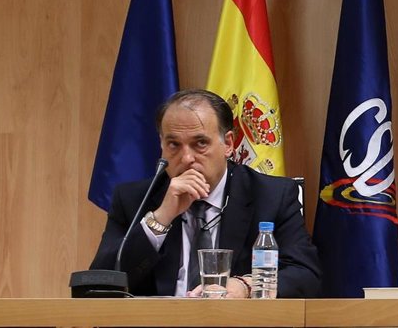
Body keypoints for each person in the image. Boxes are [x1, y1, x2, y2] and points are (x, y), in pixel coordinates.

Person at [89, 89, 321, 297]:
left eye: (200, 143)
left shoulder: (271, 196)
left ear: (228, 144)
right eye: (174, 144)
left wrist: (246, 286)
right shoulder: (135, 199)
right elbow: (98, 285)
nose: (187, 158)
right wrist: (160, 219)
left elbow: (307, 276)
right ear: (161, 145)